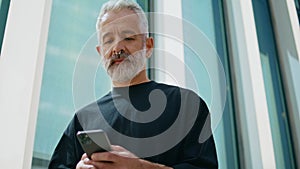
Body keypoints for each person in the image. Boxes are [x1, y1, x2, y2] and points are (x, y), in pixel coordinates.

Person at [49, 0, 218, 168]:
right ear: (101, 52)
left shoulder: (187, 104)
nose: (117, 48)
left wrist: (139, 167)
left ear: (149, 46)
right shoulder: (83, 119)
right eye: (108, 41)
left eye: (128, 38)